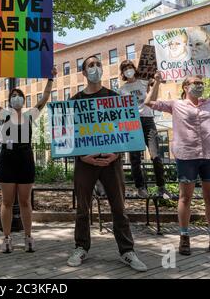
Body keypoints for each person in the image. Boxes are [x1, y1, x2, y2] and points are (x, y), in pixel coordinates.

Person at [145, 66, 210, 258]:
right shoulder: (176, 105)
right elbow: (149, 103)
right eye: (195, 83)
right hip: (187, 156)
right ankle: (184, 237)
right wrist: (156, 81)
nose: (199, 85)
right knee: (185, 198)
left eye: (201, 83)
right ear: (185, 86)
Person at [66, 55, 147, 272]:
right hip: (85, 162)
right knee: (82, 208)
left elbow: (126, 130)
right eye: (90, 65)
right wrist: (81, 156)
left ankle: (127, 251)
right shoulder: (74, 101)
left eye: (98, 64)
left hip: (112, 161)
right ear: (83, 73)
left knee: (119, 208)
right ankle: (81, 247)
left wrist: (117, 153)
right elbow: (68, 135)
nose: (95, 68)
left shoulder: (115, 97)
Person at [0, 67, 57, 253]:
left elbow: (44, 99)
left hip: (25, 158)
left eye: (19, 95)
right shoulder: (4, 115)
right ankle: (6, 238)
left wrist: (50, 78)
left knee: (26, 201)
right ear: (10, 100)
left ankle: (28, 237)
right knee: (7, 202)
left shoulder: (30, 115)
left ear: (23, 100)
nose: (16, 97)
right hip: (7, 160)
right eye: (13, 95)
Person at [118, 60, 171, 199]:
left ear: (134, 69)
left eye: (130, 67)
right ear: (122, 72)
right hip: (132, 123)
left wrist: (157, 79)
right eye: (125, 68)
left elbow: (158, 88)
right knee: (135, 159)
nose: (128, 70)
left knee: (156, 155)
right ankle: (141, 188)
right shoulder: (121, 90)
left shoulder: (143, 82)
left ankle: (161, 187)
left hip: (148, 120)